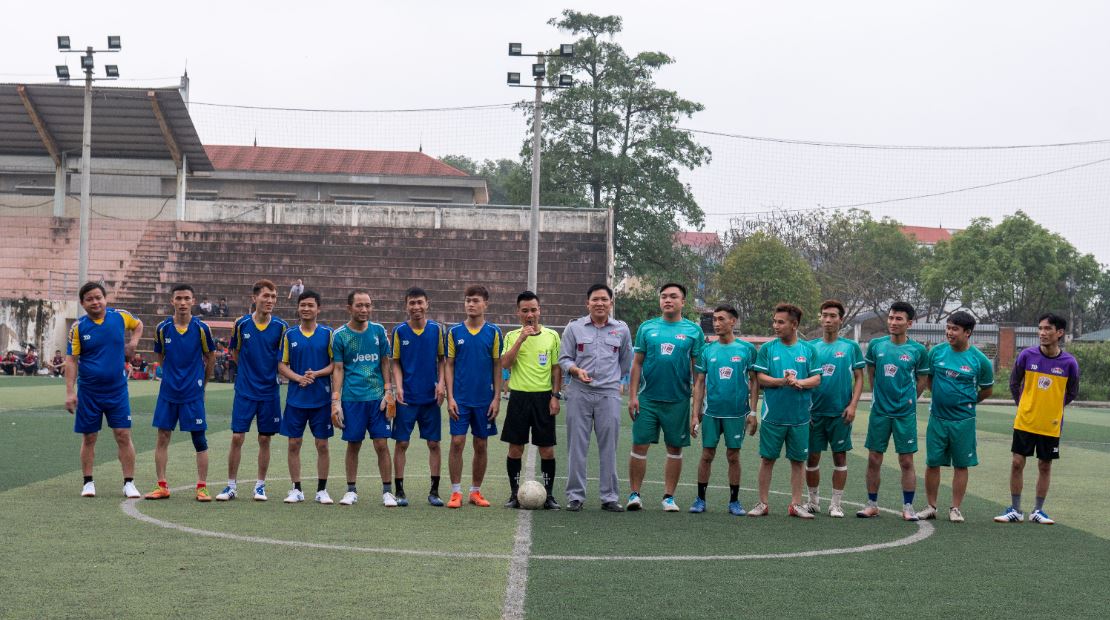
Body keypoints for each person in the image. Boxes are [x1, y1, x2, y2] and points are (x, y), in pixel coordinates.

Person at [627, 283, 705, 512]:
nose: (668, 300)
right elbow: (637, 364)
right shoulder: (647, 327)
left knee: (675, 449)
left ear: (683, 302)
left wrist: (696, 410)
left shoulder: (694, 331)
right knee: (639, 446)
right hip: (647, 399)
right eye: (664, 296)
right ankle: (634, 495)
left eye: (673, 296)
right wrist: (633, 396)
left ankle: (669, 497)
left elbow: (698, 375)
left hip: (678, 400)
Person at [995, 313, 1079, 525]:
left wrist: (1053, 408)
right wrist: (1024, 406)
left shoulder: (1069, 363)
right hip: (1025, 420)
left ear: (1059, 333)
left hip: (1050, 424)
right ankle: (1015, 510)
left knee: (1045, 465)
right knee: (1017, 462)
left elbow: (1072, 392)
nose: (1042, 333)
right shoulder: (1027, 355)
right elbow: (1014, 383)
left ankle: (1038, 511)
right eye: (1040, 328)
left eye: (1048, 328)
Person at [64, 281, 143, 499]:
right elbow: (71, 360)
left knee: (123, 435)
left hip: (117, 390)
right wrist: (70, 391)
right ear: (82, 303)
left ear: (105, 299)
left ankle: (129, 483)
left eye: (98, 297)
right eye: (89, 299)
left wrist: (133, 343)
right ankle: (88, 482)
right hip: (89, 392)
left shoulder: (120, 317)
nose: (95, 302)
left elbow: (138, 325)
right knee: (89, 437)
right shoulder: (78, 327)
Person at [559, 283, 632, 513]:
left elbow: (625, 361)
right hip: (579, 392)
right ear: (587, 303)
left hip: (608, 394)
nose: (599, 303)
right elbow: (564, 358)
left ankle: (609, 497)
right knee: (577, 446)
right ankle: (575, 496)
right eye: (595, 299)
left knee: (609, 447)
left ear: (611, 303)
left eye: (604, 299)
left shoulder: (621, 330)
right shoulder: (574, 328)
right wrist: (575, 370)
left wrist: (613, 380)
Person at [917, 311, 993, 523]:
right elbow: (929, 379)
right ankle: (931, 506)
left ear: (967, 333)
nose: (949, 332)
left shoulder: (980, 360)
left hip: (964, 421)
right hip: (937, 417)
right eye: (948, 328)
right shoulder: (936, 352)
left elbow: (987, 390)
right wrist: (939, 396)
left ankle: (955, 508)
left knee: (961, 464)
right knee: (932, 462)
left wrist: (968, 402)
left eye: (955, 329)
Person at [216, 280, 288, 502]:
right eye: (266, 296)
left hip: (269, 392)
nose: (270, 300)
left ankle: (260, 486)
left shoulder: (281, 327)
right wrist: (249, 373)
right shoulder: (241, 324)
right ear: (254, 298)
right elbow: (235, 353)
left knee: (265, 439)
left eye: (273, 297)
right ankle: (231, 486)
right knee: (237, 437)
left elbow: (281, 359)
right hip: (245, 390)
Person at [143, 284, 216, 502]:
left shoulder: (202, 328)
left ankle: (202, 487)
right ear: (172, 301)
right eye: (178, 298)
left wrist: (203, 384)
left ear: (193, 301)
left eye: (186, 298)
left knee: (199, 439)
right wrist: (170, 376)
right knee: (163, 437)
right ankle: (162, 485)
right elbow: (160, 356)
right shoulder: (162, 328)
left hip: (192, 393)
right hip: (168, 392)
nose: (182, 302)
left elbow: (210, 357)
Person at [857, 301, 930, 521]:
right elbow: (871, 373)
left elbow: (922, 379)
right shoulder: (876, 345)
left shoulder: (918, 350)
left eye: (899, 319)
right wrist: (878, 396)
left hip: (904, 414)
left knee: (906, 461)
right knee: (873, 459)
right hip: (879, 412)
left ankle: (908, 507)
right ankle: (872, 505)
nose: (893, 322)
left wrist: (909, 399)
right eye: (891, 318)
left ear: (909, 323)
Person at [750, 303, 822, 518]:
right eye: (774, 321)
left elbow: (816, 378)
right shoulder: (767, 349)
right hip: (773, 417)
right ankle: (762, 503)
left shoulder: (809, 350)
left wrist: (800, 382)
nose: (775, 325)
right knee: (767, 460)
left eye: (780, 322)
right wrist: (782, 381)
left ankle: (796, 505)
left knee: (798, 462)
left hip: (800, 417)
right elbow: (760, 378)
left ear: (794, 325)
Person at [689, 304, 758, 516]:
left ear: (733, 321)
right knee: (706, 454)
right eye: (714, 319)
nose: (716, 323)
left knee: (733, 456)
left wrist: (753, 412)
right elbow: (699, 383)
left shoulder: (747, 349)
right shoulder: (707, 350)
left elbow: (754, 381)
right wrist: (695, 414)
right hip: (711, 413)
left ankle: (734, 502)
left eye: (721, 319)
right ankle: (700, 499)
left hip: (736, 414)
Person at [331, 289, 397, 507]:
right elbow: (338, 368)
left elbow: (385, 362)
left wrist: (388, 391)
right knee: (354, 444)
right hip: (352, 399)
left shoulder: (378, 331)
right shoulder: (340, 335)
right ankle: (351, 490)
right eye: (359, 305)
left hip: (377, 399)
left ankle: (387, 492)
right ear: (349, 308)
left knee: (381, 444)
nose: (364, 309)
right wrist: (336, 401)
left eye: (368, 305)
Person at [501, 291, 563, 510]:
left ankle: (549, 495)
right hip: (518, 397)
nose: (530, 315)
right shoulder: (511, 336)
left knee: (547, 450)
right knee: (515, 449)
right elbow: (505, 364)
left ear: (539, 311)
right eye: (525, 310)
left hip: (543, 398)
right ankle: (514, 493)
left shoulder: (552, 336)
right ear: (518, 312)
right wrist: (521, 339)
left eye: (533, 310)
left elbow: (556, 369)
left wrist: (555, 396)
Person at [804, 300, 866, 518]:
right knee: (812, 458)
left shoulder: (851, 347)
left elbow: (859, 378)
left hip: (840, 413)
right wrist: (805, 409)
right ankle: (813, 502)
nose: (828, 320)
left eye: (832, 316)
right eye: (824, 315)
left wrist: (853, 405)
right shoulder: (810, 347)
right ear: (820, 318)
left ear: (841, 319)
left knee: (839, 458)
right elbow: (804, 378)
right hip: (814, 413)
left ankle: (836, 504)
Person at [444, 284, 503, 509]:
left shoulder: (494, 332)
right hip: (460, 399)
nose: (471, 304)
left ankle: (475, 491)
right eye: (468, 300)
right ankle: (455, 492)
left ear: (485, 304)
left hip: (484, 400)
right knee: (457, 442)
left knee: (481, 444)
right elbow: (449, 365)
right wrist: (450, 397)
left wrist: (496, 397)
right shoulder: (454, 332)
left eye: (475, 300)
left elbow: (497, 365)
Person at [390, 287, 447, 507]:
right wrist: (398, 387)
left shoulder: (436, 330)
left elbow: (442, 360)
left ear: (427, 304)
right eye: (412, 303)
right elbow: (395, 362)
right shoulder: (399, 331)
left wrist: (441, 384)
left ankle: (434, 491)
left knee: (434, 443)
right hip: (407, 398)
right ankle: (399, 490)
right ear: (406, 306)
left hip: (430, 398)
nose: (416, 307)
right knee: (402, 443)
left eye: (420, 302)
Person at [278, 290, 335, 504]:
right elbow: (281, 364)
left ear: (318, 309)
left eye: (311, 305)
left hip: (321, 399)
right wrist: (298, 378)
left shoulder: (328, 334)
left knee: (322, 445)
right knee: (294, 443)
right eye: (303, 305)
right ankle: (296, 489)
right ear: (298, 308)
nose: (306, 308)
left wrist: (316, 374)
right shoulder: (290, 335)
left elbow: (335, 365)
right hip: (296, 399)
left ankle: (322, 490)